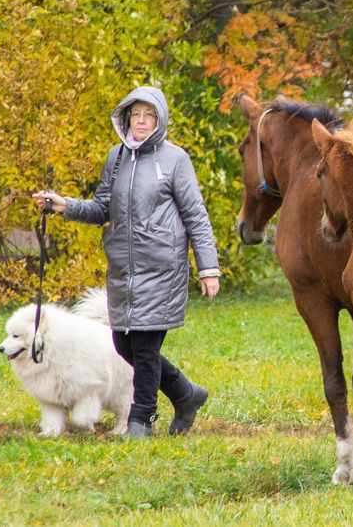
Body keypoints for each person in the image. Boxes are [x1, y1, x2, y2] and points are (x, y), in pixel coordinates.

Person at [32, 86, 219, 439]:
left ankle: (141, 421)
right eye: (136, 115)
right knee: (124, 345)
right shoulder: (115, 158)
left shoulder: (175, 159)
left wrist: (208, 269)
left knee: (146, 346)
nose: (142, 121)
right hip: (123, 272)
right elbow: (103, 208)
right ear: (126, 118)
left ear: (159, 120)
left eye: (149, 115)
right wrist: (64, 205)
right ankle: (185, 394)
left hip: (163, 269)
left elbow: (196, 216)